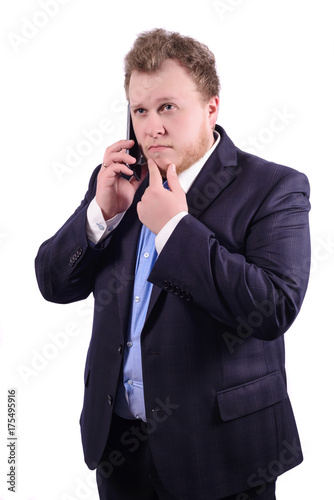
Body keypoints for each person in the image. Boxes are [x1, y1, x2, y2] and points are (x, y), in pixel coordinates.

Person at [35, 29, 311, 500]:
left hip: (223, 452)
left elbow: (272, 309)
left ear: (211, 108)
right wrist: (100, 216)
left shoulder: (274, 187)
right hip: (119, 445)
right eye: (140, 110)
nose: (151, 127)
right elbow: (54, 284)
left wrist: (175, 230)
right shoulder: (119, 182)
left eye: (168, 107)